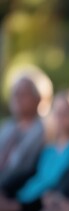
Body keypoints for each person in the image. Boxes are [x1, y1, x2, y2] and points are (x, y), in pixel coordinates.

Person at [0, 91, 69, 211]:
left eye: (66, 113)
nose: (60, 118)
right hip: (22, 197)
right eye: (57, 113)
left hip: (37, 207)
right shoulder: (49, 147)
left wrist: (18, 207)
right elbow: (30, 173)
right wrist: (5, 191)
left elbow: (60, 187)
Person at [0, 65, 53, 196]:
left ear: (39, 98)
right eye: (14, 93)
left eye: (23, 94)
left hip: (18, 193)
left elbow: (26, 168)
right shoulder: (8, 126)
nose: (17, 98)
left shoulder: (47, 129)